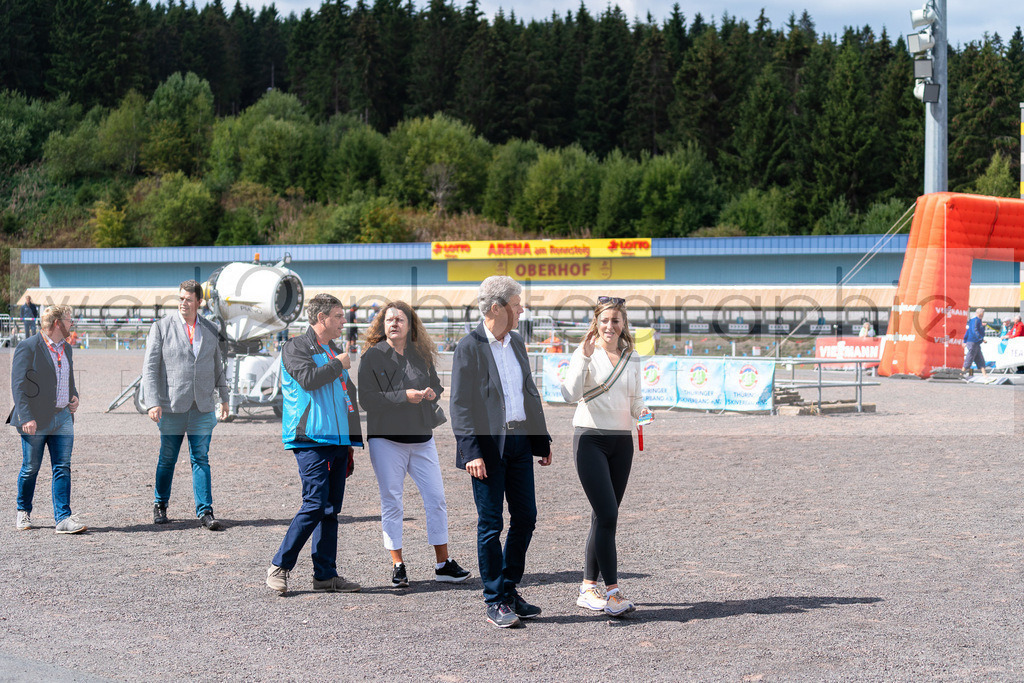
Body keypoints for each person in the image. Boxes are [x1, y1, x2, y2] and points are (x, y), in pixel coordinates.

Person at [450, 275, 552, 629]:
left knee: (526, 518)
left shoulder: (518, 342)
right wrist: (471, 451)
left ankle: (509, 589)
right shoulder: (469, 347)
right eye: (517, 303)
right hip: (488, 450)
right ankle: (494, 598)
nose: (522, 308)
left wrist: (542, 440)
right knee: (491, 524)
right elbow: (460, 406)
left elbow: (528, 393)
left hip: (521, 442)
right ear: (497, 308)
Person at [358, 301, 471, 588]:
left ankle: (443, 564)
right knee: (392, 501)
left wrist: (432, 392)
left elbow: (436, 383)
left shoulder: (420, 355)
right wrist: (402, 396)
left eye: (399, 319)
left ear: (411, 326)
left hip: (422, 439)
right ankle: (398, 564)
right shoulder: (372, 356)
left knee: (437, 500)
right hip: (386, 440)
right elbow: (367, 400)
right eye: (388, 320)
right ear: (382, 325)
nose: (393, 323)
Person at [559, 297, 651, 617]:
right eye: (605, 320)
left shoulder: (632, 357)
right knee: (608, 514)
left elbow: (636, 399)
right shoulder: (584, 352)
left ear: (624, 323)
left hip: (621, 443)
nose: (610, 326)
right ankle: (612, 592)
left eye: (616, 320)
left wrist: (643, 412)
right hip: (590, 440)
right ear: (595, 322)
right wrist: (583, 358)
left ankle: (587, 588)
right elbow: (568, 395)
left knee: (602, 517)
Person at [266, 294, 363, 595]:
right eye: (338, 316)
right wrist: (338, 364)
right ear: (321, 318)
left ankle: (325, 575)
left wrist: (349, 441)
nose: (343, 321)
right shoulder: (295, 346)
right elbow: (308, 380)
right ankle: (279, 566)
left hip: (335, 439)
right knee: (315, 504)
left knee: (331, 509)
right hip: (309, 439)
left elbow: (347, 396)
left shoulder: (330, 349)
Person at [142, 279, 229, 529]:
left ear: (198, 302)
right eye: (180, 298)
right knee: (167, 458)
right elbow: (150, 368)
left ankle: (205, 511)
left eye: (188, 299)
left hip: (202, 407)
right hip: (171, 406)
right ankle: (160, 504)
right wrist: (152, 402)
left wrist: (223, 397)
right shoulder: (161, 327)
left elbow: (217, 367)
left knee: (201, 458)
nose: (183, 303)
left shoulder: (211, 329)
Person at [10, 305, 85, 533]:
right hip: (35, 420)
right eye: (69, 319)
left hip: (63, 417)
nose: (72, 323)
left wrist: (74, 397)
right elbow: (18, 386)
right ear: (57, 324)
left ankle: (63, 518)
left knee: (62, 467)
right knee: (31, 467)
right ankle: (23, 511)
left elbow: (68, 380)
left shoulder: (67, 348)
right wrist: (26, 417)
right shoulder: (28, 347)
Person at [962, 307, 988, 378]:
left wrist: (965, 341)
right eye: (982, 313)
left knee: (980, 359)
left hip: (975, 343)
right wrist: (981, 339)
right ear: (980, 313)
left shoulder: (975, 321)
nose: (983, 315)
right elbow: (974, 331)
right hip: (973, 342)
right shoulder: (976, 320)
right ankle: (961, 373)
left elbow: (968, 331)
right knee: (969, 358)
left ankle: (984, 375)